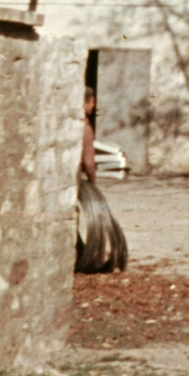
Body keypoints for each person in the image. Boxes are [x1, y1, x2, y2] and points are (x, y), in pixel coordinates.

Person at [75, 88, 128, 274]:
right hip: (76, 180)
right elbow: (89, 162)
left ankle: (81, 254)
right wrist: (93, 184)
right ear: (86, 103)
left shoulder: (70, 125)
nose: (94, 106)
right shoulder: (86, 128)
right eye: (92, 102)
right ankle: (82, 257)